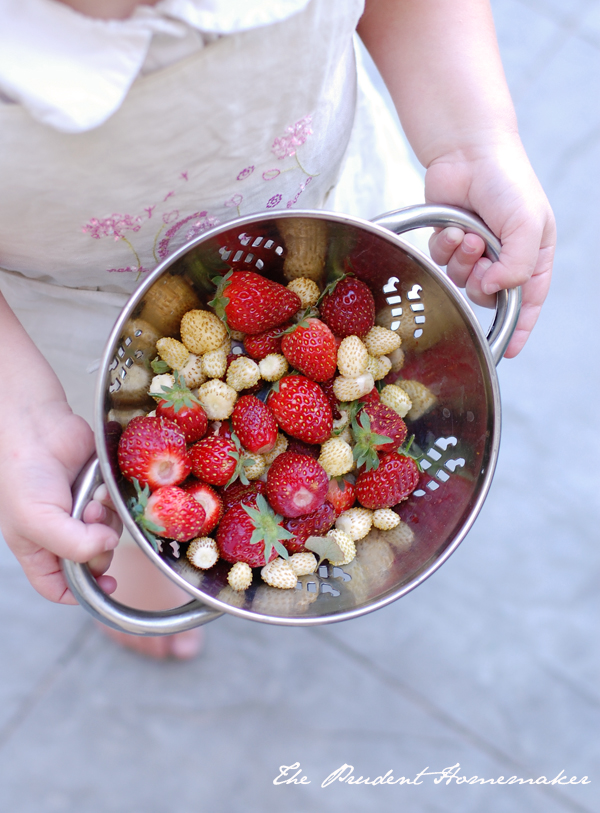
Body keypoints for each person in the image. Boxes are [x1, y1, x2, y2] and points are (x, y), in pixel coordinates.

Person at [0, 0, 555, 658]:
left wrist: (473, 139)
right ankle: (145, 581)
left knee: (153, 484)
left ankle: (163, 563)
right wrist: (19, 413)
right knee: (118, 501)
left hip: (325, 218)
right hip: (78, 315)